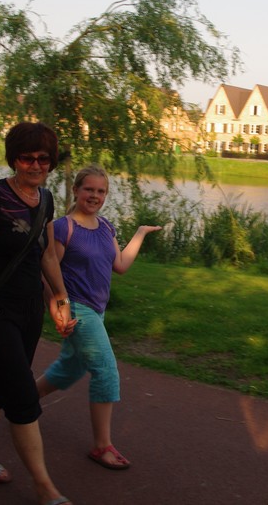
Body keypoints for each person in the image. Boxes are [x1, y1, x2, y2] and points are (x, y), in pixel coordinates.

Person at [0, 122, 75, 505]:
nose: (36, 165)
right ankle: (44, 487)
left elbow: (47, 254)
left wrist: (60, 298)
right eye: (27, 158)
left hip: (29, 309)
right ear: (14, 159)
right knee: (23, 395)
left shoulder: (46, 200)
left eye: (43, 159)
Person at [38, 164, 161, 470]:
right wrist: (56, 306)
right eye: (89, 189)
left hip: (98, 310)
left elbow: (120, 265)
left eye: (101, 191)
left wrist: (140, 233)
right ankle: (102, 446)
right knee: (106, 371)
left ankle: (21, 401)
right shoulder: (63, 228)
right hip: (77, 310)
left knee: (69, 369)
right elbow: (46, 272)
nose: (95, 196)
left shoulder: (106, 227)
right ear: (76, 190)